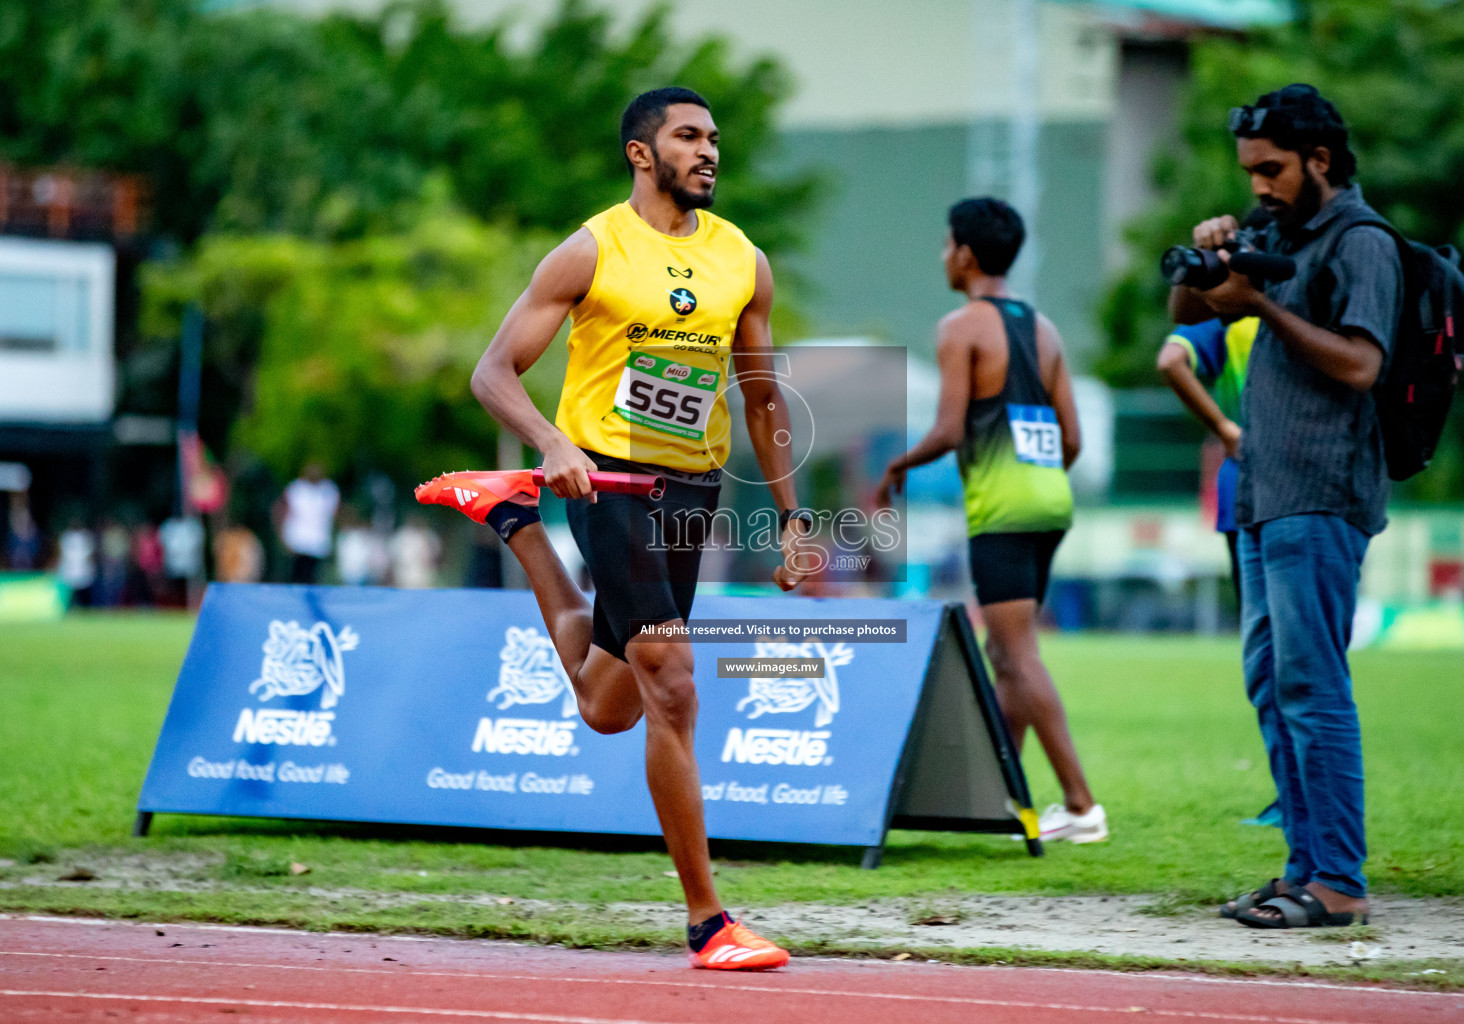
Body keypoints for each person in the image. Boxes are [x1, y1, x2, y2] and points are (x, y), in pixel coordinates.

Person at [417, 88, 812, 970]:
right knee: (671, 682)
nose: (709, 151)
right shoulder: (591, 250)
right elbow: (494, 372)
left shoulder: (743, 260)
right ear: (642, 153)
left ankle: (514, 523)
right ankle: (709, 922)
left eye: (714, 137)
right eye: (688, 137)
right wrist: (552, 441)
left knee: (608, 703)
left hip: (692, 491)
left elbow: (761, 397)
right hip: (607, 484)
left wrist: (792, 518)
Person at [1172, 84, 1400, 929]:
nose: (1258, 185)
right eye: (1249, 171)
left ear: (1321, 161)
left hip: (1322, 493)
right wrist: (1211, 261)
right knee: (1272, 682)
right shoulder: (1276, 232)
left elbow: (1359, 366)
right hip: (1267, 496)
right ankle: (1304, 866)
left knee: (1313, 683)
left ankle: (1338, 881)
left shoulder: (1362, 242)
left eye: (1271, 170)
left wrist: (1261, 303)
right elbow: (1181, 312)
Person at [876, 197, 1105, 844]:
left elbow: (948, 430)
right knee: (1005, 653)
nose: (943, 255)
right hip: (1050, 503)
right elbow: (1074, 439)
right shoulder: (1046, 330)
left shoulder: (961, 327)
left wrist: (899, 464)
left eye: (947, 244)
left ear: (966, 254)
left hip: (1002, 508)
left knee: (1018, 653)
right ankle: (1005, 802)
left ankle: (1082, 806)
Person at [1156, 310, 1282, 829]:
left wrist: (1226, 429)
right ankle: (1299, 799)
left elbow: (1170, 358)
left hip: (1249, 491)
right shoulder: (1301, 305)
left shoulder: (1233, 318)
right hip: (1307, 490)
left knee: (1268, 657)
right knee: (1298, 658)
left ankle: (1294, 799)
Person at [272, 463, 339, 584]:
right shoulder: (296, 489)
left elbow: (334, 515)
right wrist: (282, 535)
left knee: (313, 577)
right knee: (297, 576)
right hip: (298, 541)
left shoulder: (328, 491)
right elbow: (282, 511)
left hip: (318, 542)